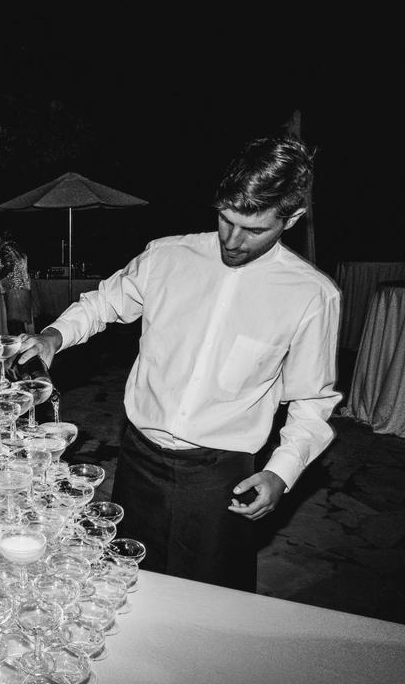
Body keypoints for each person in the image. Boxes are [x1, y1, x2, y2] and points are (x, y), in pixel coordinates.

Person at [19, 136, 340, 592]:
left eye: (253, 230)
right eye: (226, 219)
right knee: (128, 586)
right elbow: (103, 303)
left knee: (211, 601)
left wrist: (281, 472)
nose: (233, 240)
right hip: (140, 459)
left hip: (221, 475)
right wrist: (54, 335)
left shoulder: (311, 294)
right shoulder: (167, 256)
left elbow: (312, 399)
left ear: (292, 218)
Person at [0, 229, 34, 336]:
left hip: (14, 288)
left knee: (14, 324)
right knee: (19, 323)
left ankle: (18, 345)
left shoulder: (6, 248)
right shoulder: (17, 248)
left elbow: (9, 266)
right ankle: (22, 344)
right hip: (22, 288)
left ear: (0, 238)